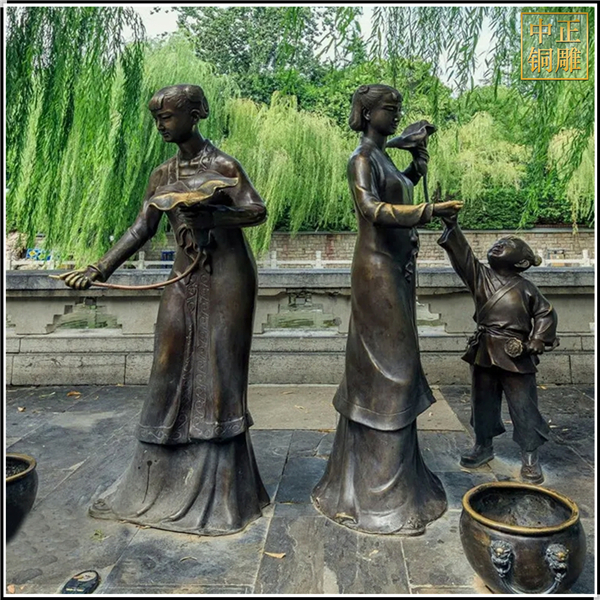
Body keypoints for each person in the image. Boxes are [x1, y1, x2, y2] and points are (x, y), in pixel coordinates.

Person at [58, 84, 269, 535]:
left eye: (168, 116)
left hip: (228, 275)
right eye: (157, 118)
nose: (161, 125)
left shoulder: (224, 166)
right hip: (183, 276)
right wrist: (99, 268)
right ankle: (155, 481)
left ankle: (221, 491)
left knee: (220, 369)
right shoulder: (161, 174)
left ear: (195, 114)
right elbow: (142, 228)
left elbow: (256, 210)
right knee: (168, 360)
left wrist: (214, 216)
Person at [311, 84, 463, 535]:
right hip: (376, 272)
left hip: (396, 270)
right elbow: (372, 208)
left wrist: (416, 167)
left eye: (398, 109)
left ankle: (397, 481)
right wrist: (428, 211)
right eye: (388, 109)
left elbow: (398, 190)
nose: (395, 116)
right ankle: (381, 495)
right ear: (366, 112)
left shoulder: (384, 158)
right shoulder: (361, 159)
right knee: (392, 372)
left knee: (396, 367)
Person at [437, 212, 558, 484]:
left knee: (523, 406)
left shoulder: (527, 288)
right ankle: (483, 445)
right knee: (482, 403)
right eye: (498, 242)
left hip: (516, 353)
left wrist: (537, 339)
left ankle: (530, 456)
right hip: (484, 349)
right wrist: (452, 225)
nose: (499, 244)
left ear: (522, 262)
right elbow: (464, 257)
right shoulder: (481, 278)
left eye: (508, 245)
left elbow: (546, 313)